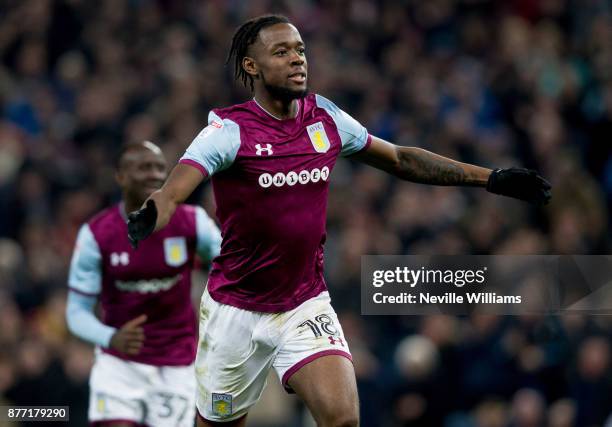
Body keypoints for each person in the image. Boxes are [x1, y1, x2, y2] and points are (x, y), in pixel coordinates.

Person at [127, 15, 551, 427]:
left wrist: (491, 178)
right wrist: (155, 211)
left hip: (303, 303)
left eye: (300, 50)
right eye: (281, 52)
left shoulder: (325, 118)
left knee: (343, 419)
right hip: (234, 311)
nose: (297, 59)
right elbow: (178, 185)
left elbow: (401, 158)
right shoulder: (229, 130)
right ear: (251, 66)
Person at [66, 140, 221, 427]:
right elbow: (75, 313)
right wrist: (109, 337)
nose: (154, 174)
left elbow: (230, 265)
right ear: (120, 176)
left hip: (177, 365)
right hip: (120, 363)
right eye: (143, 167)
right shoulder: (97, 235)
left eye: (160, 168)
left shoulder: (192, 223)